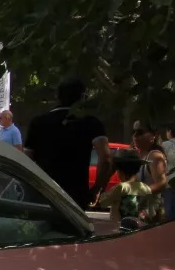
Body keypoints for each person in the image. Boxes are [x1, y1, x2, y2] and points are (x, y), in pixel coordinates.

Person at [24, 77, 110, 208]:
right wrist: (96, 189)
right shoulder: (91, 123)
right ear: (83, 97)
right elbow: (106, 158)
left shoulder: (38, 122)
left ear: (57, 96)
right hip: (76, 195)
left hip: (44, 193)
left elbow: (27, 160)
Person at [96, 148, 162, 230]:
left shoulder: (120, 188)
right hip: (138, 228)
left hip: (120, 228)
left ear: (120, 172)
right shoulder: (145, 188)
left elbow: (102, 202)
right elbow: (152, 211)